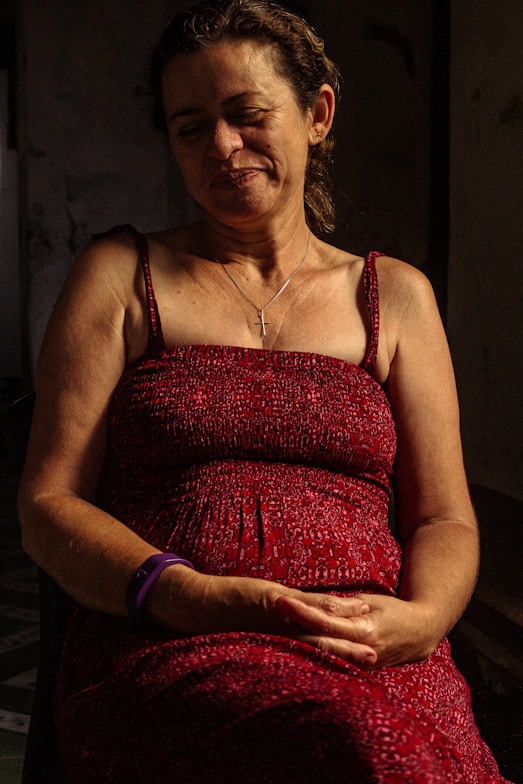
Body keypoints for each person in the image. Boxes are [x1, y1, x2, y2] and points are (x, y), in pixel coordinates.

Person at [18, 1, 511, 782]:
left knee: (411, 748)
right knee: (344, 735)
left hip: (365, 640)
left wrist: (418, 624)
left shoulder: (394, 296)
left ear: (316, 114)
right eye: (190, 127)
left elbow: (442, 513)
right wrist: (185, 594)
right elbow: (48, 504)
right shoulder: (121, 275)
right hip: (173, 640)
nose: (220, 145)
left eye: (246, 115)